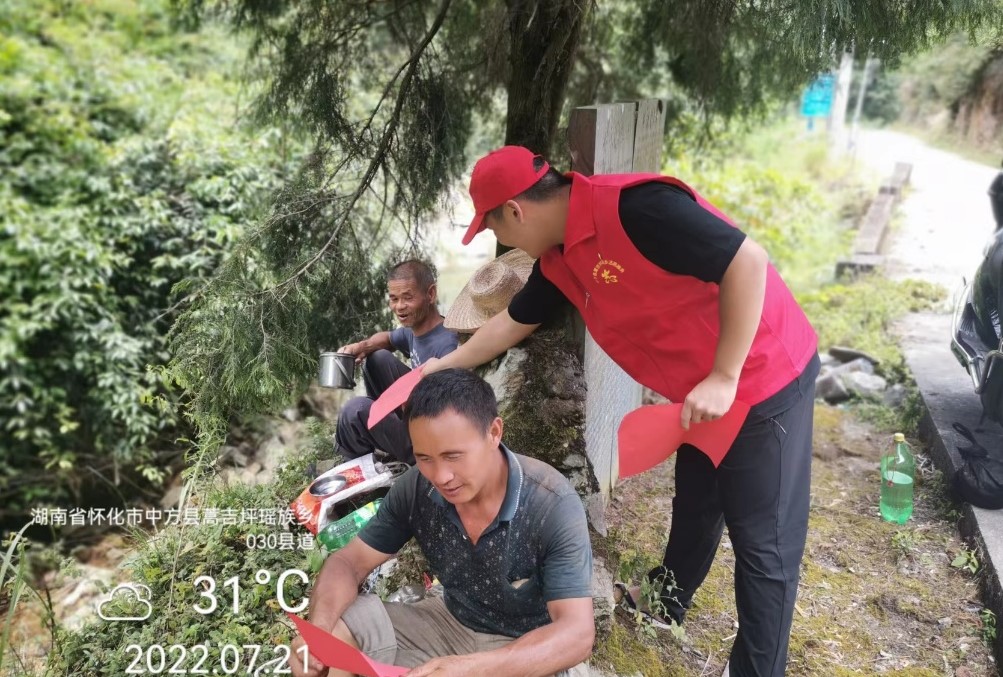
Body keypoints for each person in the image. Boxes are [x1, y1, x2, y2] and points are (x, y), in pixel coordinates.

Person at [422, 146, 820, 677]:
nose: (502, 241)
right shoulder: (559, 257)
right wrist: (441, 367)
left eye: (495, 228)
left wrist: (725, 375)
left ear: (516, 210)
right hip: (701, 392)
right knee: (698, 500)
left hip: (764, 375)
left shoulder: (637, 209)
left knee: (764, 545)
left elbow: (747, 260)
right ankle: (665, 601)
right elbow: (512, 321)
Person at [291, 369, 595, 677]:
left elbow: (577, 634)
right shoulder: (416, 488)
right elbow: (348, 562)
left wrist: (472, 670)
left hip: (522, 645)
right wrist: (318, 633)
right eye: (425, 458)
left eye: (453, 456)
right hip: (448, 622)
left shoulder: (550, 503)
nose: (440, 476)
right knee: (333, 641)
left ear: (494, 433)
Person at [334, 259, 457, 464]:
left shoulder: (447, 345)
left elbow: (446, 415)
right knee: (377, 357)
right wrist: (361, 347)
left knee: (355, 409)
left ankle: (356, 465)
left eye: (407, 298)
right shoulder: (415, 330)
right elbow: (388, 339)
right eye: (394, 299)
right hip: (414, 414)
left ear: (431, 294)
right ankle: (380, 438)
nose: (399, 307)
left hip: (430, 441)